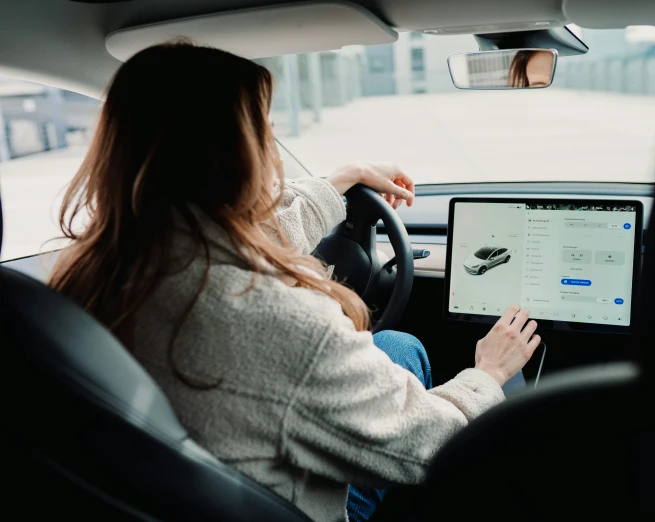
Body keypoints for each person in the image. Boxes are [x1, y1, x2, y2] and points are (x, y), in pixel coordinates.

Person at [48, 42, 541, 522]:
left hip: (181, 490)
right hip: (295, 501)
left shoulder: (93, 272)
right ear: (235, 158)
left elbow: (248, 233)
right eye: (266, 134)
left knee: (394, 344)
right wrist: (487, 375)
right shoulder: (277, 322)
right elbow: (430, 446)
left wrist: (337, 183)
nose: (276, 156)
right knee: (410, 362)